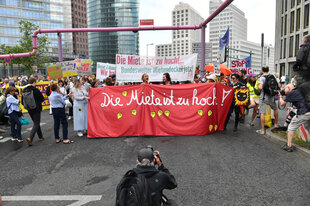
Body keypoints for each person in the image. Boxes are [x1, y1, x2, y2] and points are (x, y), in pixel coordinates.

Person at [279, 84, 310, 152]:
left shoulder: (292, 92)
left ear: (289, 88)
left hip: (304, 112)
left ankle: (289, 145)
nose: (284, 90)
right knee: (308, 126)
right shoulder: (299, 90)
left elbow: (282, 104)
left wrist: (280, 96)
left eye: (285, 89)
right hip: (308, 110)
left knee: (291, 127)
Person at [256, 66, 280, 135]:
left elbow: (260, 88)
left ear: (262, 70)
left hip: (264, 98)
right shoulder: (273, 77)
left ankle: (262, 130)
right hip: (272, 97)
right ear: (268, 70)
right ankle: (276, 124)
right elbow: (279, 86)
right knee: (275, 109)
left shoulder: (262, 78)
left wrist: (258, 85)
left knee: (262, 113)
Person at [22, 77, 45, 146]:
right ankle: (30, 137)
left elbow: (22, 101)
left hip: (29, 109)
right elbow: (42, 99)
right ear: (34, 82)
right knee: (36, 123)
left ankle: (40, 136)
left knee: (36, 122)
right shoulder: (36, 90)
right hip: (36, 108)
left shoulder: (24, 90)